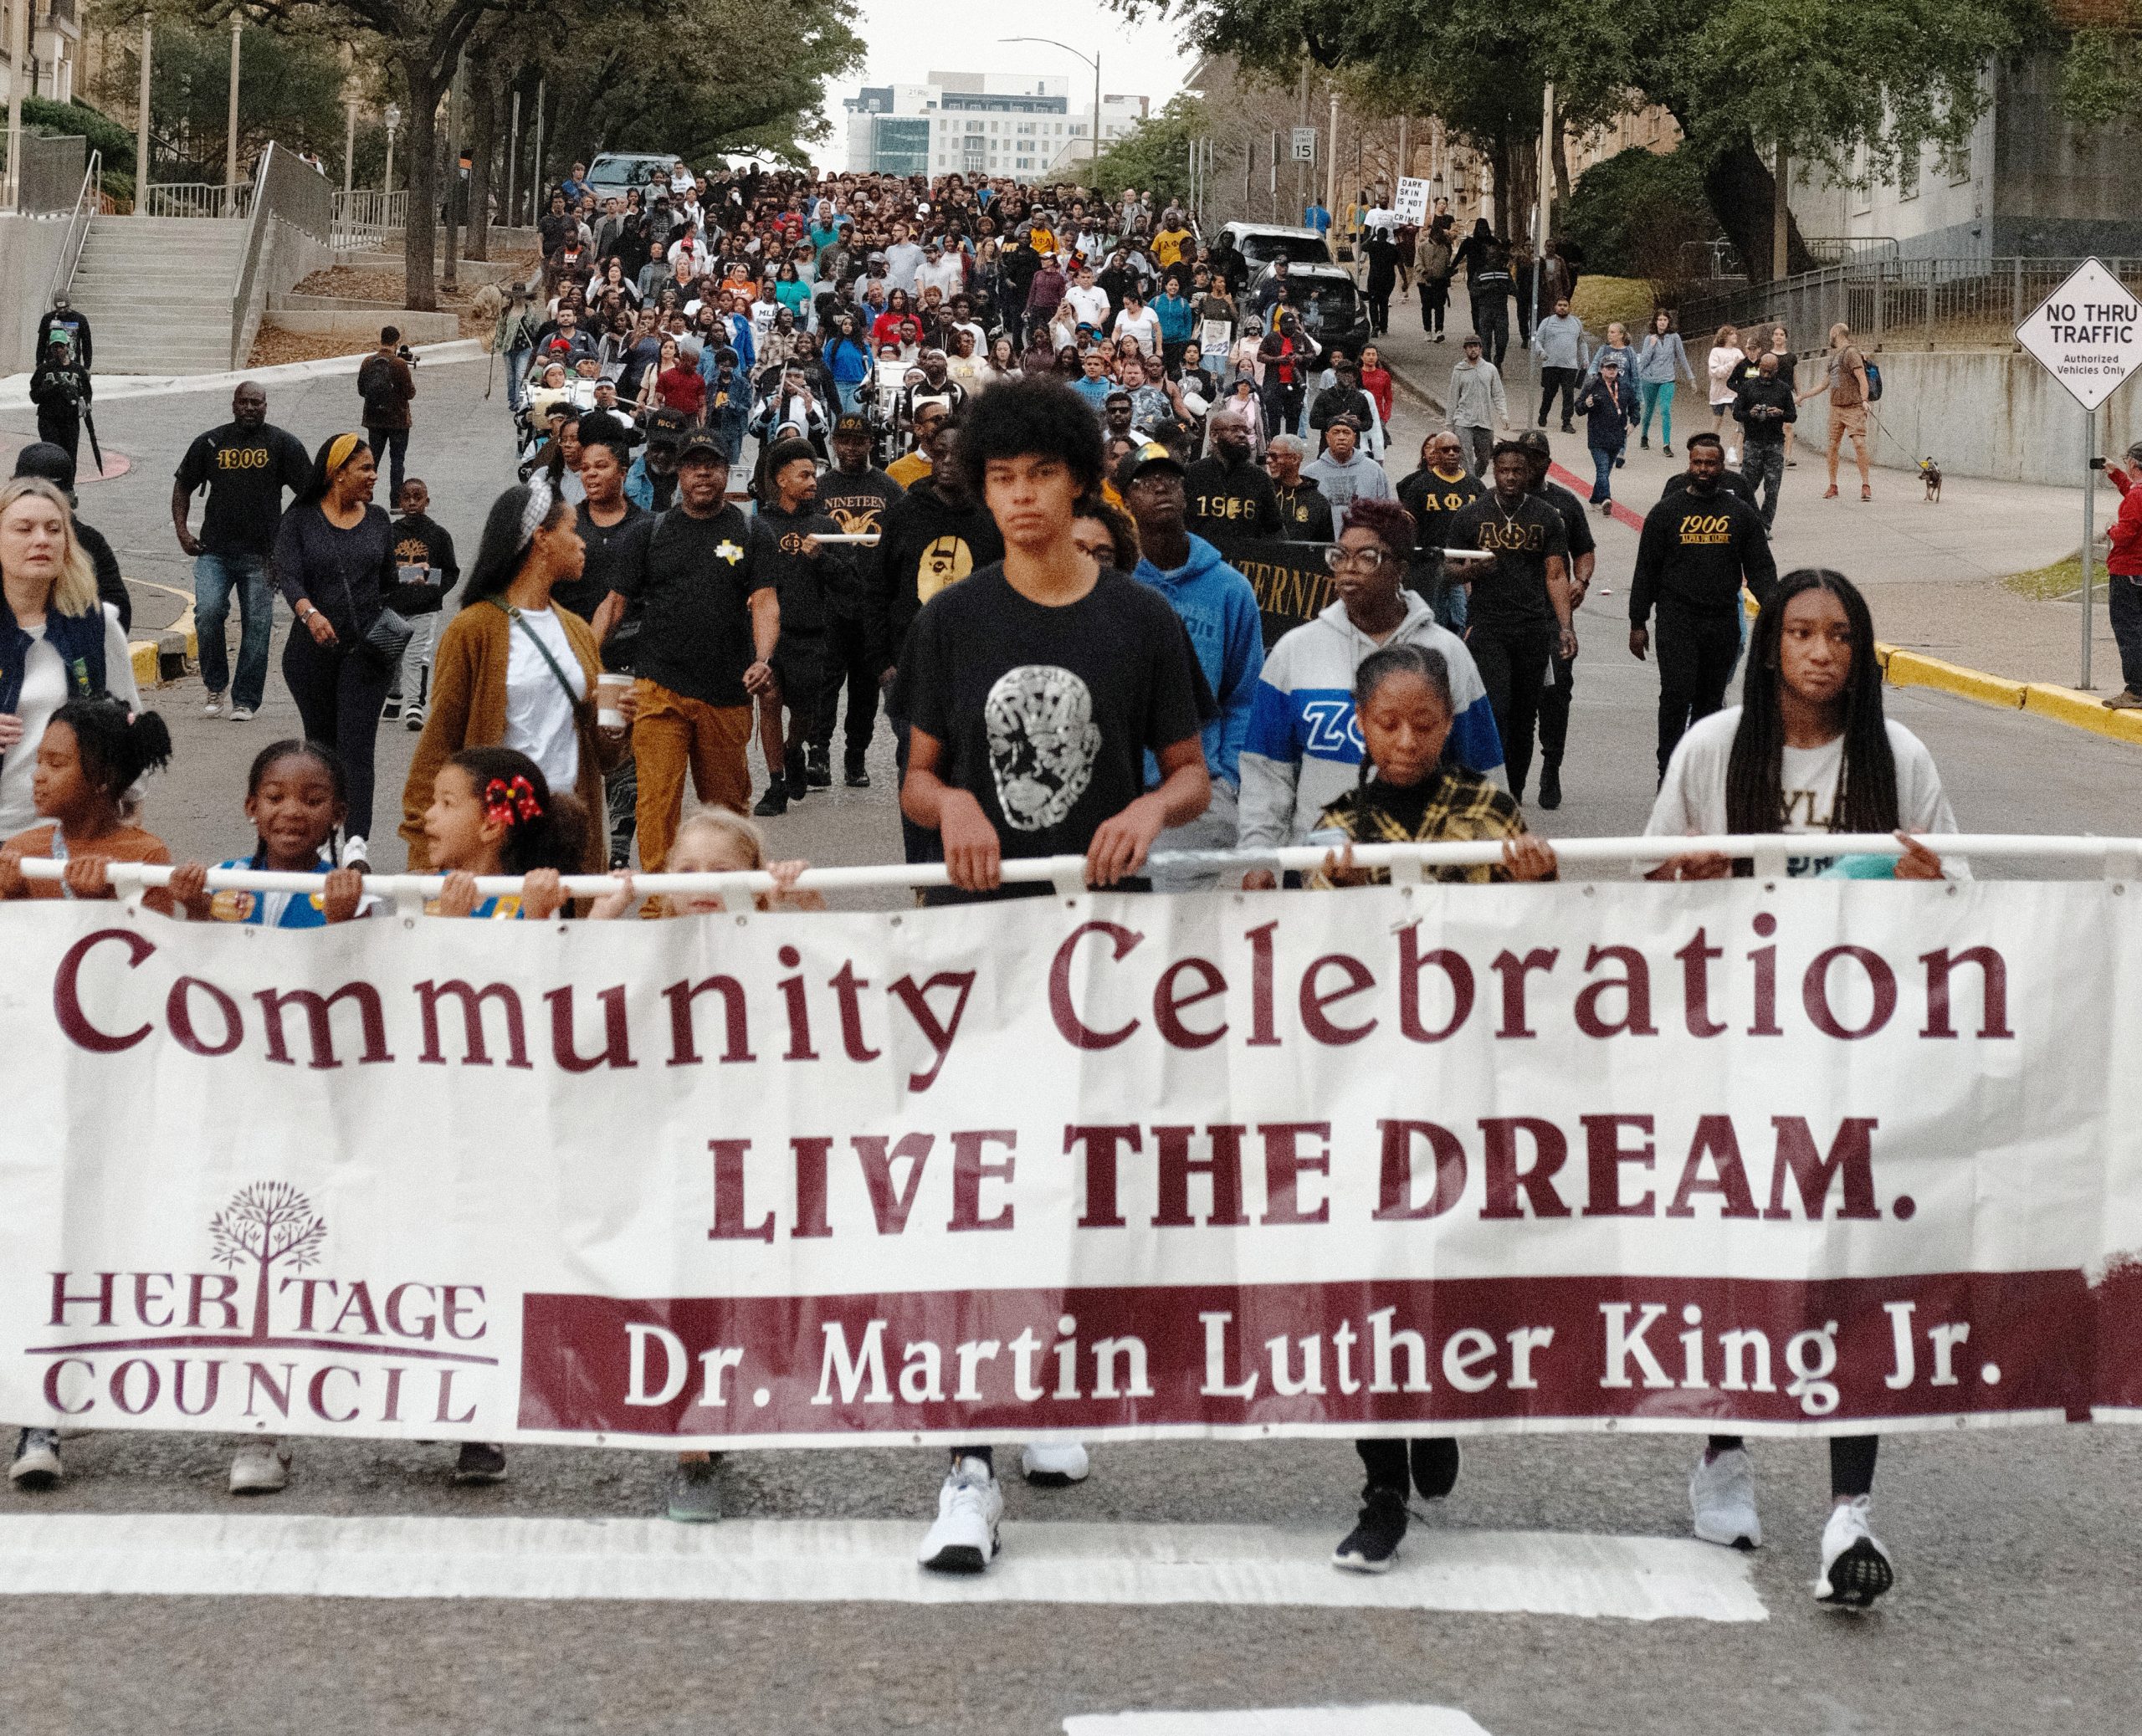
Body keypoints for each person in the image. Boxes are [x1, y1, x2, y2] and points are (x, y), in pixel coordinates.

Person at [890, 377, 1213, 1573]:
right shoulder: (953, 620)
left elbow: (1192, 773)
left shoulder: (1139, 620)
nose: (1021, 499)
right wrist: (957, 799)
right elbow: (916, 778)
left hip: (1099, 943)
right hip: (975, 941)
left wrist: (1145, 808)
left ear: (1081, 481)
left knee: (1073, 1174)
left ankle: (1055, 1390)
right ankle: (966, 1461)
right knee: (978, 1182)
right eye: (1000, 480)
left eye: (1040, 477)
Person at [1648, 567, 1962, 1610]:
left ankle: (1847, 1510)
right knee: (1737, 1258)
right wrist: (1680, 883)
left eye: (1838, 634)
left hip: (1852, 1062)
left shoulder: (1899, 756)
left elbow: (1961, 895)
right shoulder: (1710, 749)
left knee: (1846, 1272)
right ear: (1769, 643)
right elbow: (1637, 893)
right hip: (1733, 1051)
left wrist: (1930, 888)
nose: (1819, 652)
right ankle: (1722, 1455)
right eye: (1799, 632)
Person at [1304, 642, 1556, 1571]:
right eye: (1387, 724)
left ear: (1448, 724)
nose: (1405, 740)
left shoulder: (1489, 816)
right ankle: (1380, 1482)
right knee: (1371, 1275)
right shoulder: (1336, 827)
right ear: (1359, 728)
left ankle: (1437, 1400)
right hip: (1368, 1090)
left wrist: (1535, 886)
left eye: (1423, 723)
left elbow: (1543, 951)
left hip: (1466, 1082)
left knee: (1446, 1262)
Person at [587, 807, 820, 1520]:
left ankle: (720, 1419)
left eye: (724, 872)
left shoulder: (766, 936)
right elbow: (570, 990)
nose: (703, 885)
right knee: (678, 1287)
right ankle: (692, 1450)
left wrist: (800, 907)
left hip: (753, 1146)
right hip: (665, 1146)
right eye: (687, 871)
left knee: (736, 1289)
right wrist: (603, 915)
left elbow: (833, 986)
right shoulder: (650, 946)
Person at [1240, 499, 1505, 880]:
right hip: (1321, 873)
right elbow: (1267, 769)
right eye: (1340, 556)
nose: (1348, 568)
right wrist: (1258, 856)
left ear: (1400, 568)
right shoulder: (1293, 651)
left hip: (1426, 879)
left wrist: (1492, 855)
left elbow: (1484, 770)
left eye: (1367, 557)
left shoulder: (1448, 654)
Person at [401, 467, 631, 873]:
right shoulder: (474, 629)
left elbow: (605, 757)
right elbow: (439, 742)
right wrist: (425, 853)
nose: (582, 544)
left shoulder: (576, 630)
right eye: (572, 530)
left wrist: (615, 721)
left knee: (562, 932)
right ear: (541, 538)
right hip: (499, 829)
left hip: (565, 828)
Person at [615, 433, 780, 871]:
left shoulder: (751, 530)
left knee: (726, 811)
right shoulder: (650, 532)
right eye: (692, 465)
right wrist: (585, 663)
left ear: (727, 473)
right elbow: (614, 603)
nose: (702, 473)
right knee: (656, 802)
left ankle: (728, 901)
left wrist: (763, 660)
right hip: (658, 687)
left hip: (726, 692)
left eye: (712, 465)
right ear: (679, 474)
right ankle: (659, 910)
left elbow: (765, 601)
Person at [1117, 442, 1265, 891]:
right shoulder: (1113, 584)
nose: (1160, 488)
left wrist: (1228, 776)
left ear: (1186, 495)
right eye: (1145, 482)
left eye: (1171, 480)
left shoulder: (1229, 588)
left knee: (1177, 930)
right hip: (1117, 788)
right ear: (1126, 501)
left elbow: (1244, 694)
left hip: (1195, 789)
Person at [879, 412, 1004, 862]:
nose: (948, 461)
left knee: (970, 767)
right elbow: (879, 588)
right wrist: (883, 662)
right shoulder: (905, 513)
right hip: (910, 667)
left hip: (977, 664)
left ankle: (964, 865)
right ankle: (922, 871)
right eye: (940, 451)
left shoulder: (992, 518)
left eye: (959, 454)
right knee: (917, 766)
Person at [272, 434, 402, 869]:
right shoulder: (301, 519)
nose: (374, 475)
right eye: (365, 468)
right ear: (337, 471)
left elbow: (388, 585)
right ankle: (325, 839)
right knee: (323, 750)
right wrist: (310, 614)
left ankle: (356, 845)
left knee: (358, 749)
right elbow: (287, 575)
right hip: (311, 653)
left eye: (373, 468)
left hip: (366, 655)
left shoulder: (380, 520)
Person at [1628, 432, 1780, 777]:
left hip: (1721, 621)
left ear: (1721, 467)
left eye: (1711, 463)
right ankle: (1668, 771)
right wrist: (1638, 622)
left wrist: (1775, 615)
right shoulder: (1666, 512)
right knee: (1676, 695)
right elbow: (1646, 571)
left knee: (1710, 703)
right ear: (1688, 465)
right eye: (1697, 462)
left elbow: (1760, 568)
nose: (1703, 469)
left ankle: (1700, 775)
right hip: (1676, 620)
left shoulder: (1739, 514)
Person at [174, 382, 312, 722]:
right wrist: (182, 531)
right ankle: (215, 685)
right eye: (244, 402)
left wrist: (287, 537)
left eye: (257, 403)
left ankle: (246, 700)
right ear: (233, 405)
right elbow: (183, 485)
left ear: (266, 406)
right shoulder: (210, 442)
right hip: (214, 551)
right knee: (207, 613)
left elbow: (310, 492)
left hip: (263, 557)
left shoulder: (282, 444)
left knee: (258, 625)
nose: (251, 408)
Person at [1446, 442, 1575, 805]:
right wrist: (1470, 570)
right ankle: (1492, 786)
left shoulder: (1547, 516)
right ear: (1494, 472)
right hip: (1487, 627)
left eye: (1518, 470)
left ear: (1529, 473)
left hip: (1533, 628)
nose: (1511, 477)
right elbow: (1448, 569)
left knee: (1524, 718)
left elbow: (1555, 573)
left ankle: (1514, 792)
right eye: (1504, 470)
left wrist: (1565, 627)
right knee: (1497, 708)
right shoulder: (1472, 515)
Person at [0, 697, 175, 919]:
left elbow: (155, 946)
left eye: (56, 764)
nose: (38, 776)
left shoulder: (146, 855)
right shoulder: (21, 851)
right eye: (39, 762)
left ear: (104, 777)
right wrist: (13, 894)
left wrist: (99, 902)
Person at [169, 740, 371, 929]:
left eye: (312, 801)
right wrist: (195, 906)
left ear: (338, 814)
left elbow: (358, 961)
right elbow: (200, 957)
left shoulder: (350, 893)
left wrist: (341, 920)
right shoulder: (223, 880)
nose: (292, 812)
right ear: (252, 807)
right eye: (275, 798)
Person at [812, 413, 902, 786]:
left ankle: (856, 758)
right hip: (829, 602)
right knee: (825, 685)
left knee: (865, 689)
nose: (851, 448)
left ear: (870, 444)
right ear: (834, 443)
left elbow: (901, 542)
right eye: (844, 441)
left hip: (871, 605)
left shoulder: (889, 488)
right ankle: (818, 755)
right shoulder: (818, 488)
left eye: (859, 441)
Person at [749, 439, 837, 816]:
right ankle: (775, 784)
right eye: (804, 474)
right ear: (781, 480)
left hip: (810, 632)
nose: (813, 481)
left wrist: (822, 559)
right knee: (768, 701)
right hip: (770, 636)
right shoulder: (757, 525)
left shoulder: (825, 526)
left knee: (804, 711)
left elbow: (845, 580)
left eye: (814, 473)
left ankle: (792, 749)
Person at [13, 443, 127, 629]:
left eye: (53, 529)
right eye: (24, 529)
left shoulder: (91, 543)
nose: (41, 540)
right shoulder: (92, 541)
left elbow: (117, 610)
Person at [382, 478, 461, 730]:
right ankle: (394, 695)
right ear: (399, 502)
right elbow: (383, 571)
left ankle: (415, 704)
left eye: (418, 497)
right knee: (391, 654)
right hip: (394, 605)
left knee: (418, 655)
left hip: (425, 608)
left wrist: (431, 586)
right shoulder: (390, 534)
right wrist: (406, 575)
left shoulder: (438, 535)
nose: (413, 502)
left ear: (427, 501)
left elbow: (450, 571)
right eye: (407, 497)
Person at [1397, 430, 1483, 631]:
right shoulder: (1421, 485)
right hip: (1430, 565)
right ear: (1436, 454)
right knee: (1433, 619)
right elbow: (1408, 526)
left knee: (1461, 619)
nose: (1451, 454)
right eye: (1445, 450)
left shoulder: (1474, 486)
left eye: (1456, 449)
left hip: (1462, 568)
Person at [1183, 407, 1281, 542]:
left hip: (1244, 560)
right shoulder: (1191, 475)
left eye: (1245, 431)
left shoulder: (1259, 478)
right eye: (1234, 429)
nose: (1242, 435)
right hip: (1201, 560)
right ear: (1214, 436)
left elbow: (1274, 528)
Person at [1802, 322, 1873, 501]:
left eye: (1830, 333)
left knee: (1859, 444)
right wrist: (1802, 396)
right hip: (1836, 408)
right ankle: (1833, 485)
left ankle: (1866, 485)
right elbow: (1824, 384)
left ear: (1836, 333)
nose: (1829, 337)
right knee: (1833, 446)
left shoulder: (1851, 353)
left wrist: (1864, 400)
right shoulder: (1834, 358)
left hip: (1853, 406)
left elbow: (1862, 380)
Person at [1733, 351, 1798, 530]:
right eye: (1763, 371)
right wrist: (1750, 413)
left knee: (1772, 488)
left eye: (1770, 372)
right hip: (1753, 441)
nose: (1766, 375)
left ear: (1776, 370)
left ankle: (1765, 524)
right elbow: (1736, 413)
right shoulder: (1748, 387)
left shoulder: (1784, 389)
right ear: (1759, 368)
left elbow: (1793, 416)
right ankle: (1743, 521)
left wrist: (1780, 413)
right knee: (1747, 486)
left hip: (1774, 443)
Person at [357, 327, 418, 499]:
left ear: (381, 340)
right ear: (396, 342)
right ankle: (396, 501)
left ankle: (365, 497)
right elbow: (410, 393)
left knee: (372, 460)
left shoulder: (367, 362)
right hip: (398, 421)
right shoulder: (399, 364)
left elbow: (362, 390)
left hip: (374, 419)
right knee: (397, 460)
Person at [2104, 438, 2142, 711]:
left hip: (2128, 572)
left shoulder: (2136, 498)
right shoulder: (2136, 494)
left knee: (2129, 632)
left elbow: (2125, 535)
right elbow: (2133, 492)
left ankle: (2136, 690)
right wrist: (2115, 475)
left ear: (2134, 463)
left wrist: (2110, 529)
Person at [28, 338, 91, 484]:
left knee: (70, 456)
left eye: (61, 346)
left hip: (70, 421)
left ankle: (68, 488)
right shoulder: (44, 370)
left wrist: (85, 403)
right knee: (52, 454)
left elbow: (87, 392)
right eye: (54, 347)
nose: (57, 350)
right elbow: (34, 396)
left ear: (67, 347)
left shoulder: (77, 370)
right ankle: (52, 488)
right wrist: (51, 388)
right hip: (48, 420)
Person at [1573, 358, 1632, 514]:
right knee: (1602, 469)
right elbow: (1578, 408)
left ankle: (1595, 498)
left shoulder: (1625, 386)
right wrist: (1586, 404)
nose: (1612, 371)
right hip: (1597, 437)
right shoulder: (1592, 385)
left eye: (1614, 368)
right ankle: (1606, 498)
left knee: (1606, 470)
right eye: (1608, 368)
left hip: (1617, 436)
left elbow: (1634, 406)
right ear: (1601, 370)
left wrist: (1633, 423)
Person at [1304, 415, 1392, 513]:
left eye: (1346, 432)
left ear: (1354, 438)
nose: (1341, 437)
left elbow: (1386, 509)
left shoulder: (1373, 470)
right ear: (1327, 437)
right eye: (1336, 432)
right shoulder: (1310, 474)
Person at [1636, 310, 1694, 456]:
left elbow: (1682, 357)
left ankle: (1666, 444)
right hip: (1650, 378)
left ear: (1669, 322)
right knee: (1649, 409)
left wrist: (1691, 378)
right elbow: (1643, 360)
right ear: (1655, 322)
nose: (1662, 322)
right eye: (1659, 319)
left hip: (1668, 379)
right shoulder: (1649, 338)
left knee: (1665, 409)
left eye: (1665, 319)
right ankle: (1644, 435)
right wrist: (1651, 345)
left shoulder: (1674, 337)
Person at [1447, 335, 1506, 477]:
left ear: (1480, 349)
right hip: (1463, 421)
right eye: (1470, 347)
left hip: (1484, 422)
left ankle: (1474, 481)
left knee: (1485, 458)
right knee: (1465, 457)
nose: (1473, 350)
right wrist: (1449, 424)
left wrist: (1504, 415)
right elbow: (1453, 397)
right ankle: (1471, 486)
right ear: (1465, 350)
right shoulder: (1459, 370)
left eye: (1475, 347)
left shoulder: (1490, 369)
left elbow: (1498, 394)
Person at [1530, 297, 1588, 432]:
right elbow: (1537, 340)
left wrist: (1585, 359)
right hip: (1551, 365)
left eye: (1565, 305)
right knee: (1549, 393)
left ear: (1569, 307)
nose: (1562, 307)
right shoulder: (1548, 322)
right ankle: (1543, 414)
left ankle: (1566, 421)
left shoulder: (1576, 323)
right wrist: (1541, 352)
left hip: (1570, 366)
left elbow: (1582, 342)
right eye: (1560, 305)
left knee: (1568, 394)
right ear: (1555, 307)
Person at [1264, 435, 1335, 541]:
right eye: (1267, 455)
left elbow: (1325, 547)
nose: (1269, 460)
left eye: (1274, 456)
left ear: (1294, 459)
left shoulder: (1318, 502)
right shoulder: (1264, 494)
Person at [1705, 325, 1745, 451]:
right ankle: (1711, 448)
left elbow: (1742, 371)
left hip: (1733, 392)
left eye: (1735, 333)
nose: (1735, 336)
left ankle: (1733, 449)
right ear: (1725, 336)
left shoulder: (1738, 352)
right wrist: (1732, 364)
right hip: (1718, 393)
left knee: (1740, 421)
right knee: (1717, 420)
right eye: (1732, 334)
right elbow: (1715, 373)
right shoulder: (1716, 351)